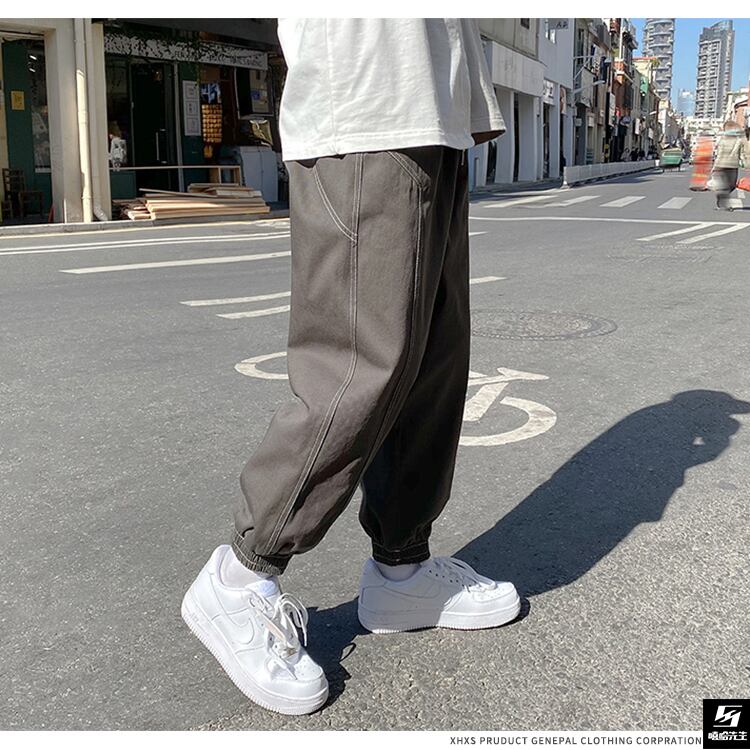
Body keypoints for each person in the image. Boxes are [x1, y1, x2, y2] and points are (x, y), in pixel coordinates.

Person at [182, 19, 521, 716]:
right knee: (361, 363)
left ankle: (402, 568)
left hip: (435, 107)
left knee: (432, 361)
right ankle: (241, 575)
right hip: (368, 100)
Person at [711, 120, 750, 210]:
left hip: (733, 166)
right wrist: (715, 167)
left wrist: (747, 165)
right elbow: (719, 154)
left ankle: (721, 197)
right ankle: (725, 203)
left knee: (732, 185)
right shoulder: (723, 140)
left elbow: (742, 154)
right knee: (723, 185)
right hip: (721, 165)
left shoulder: (739, 141)